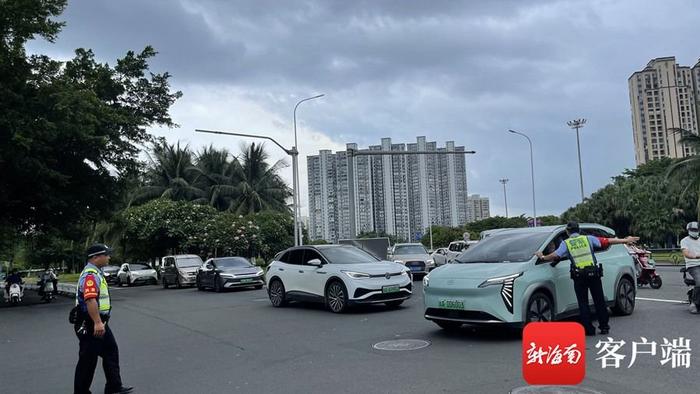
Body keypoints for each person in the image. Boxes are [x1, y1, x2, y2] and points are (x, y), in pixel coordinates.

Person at [535, 221, 639, 336]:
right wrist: (625, 240)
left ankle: (589, 329)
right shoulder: (588, 239)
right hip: (593, 274)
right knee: (599, 301)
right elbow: (607, 241)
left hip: (579, 276)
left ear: (567, 232)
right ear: (578, 230)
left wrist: (543, 257)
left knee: (583, 304)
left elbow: (556, 255)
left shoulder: (566, 243)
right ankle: (604, 327)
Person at [73, 244, 133, 394]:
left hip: (99, 321)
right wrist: (98, 322)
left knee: (110, 351)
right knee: (88, 360)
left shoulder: (96, 272)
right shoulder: (90, 275)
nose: (109, 257)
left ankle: (114, 387)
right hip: (90, 322)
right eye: (106, 255)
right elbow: (90, 300)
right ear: (95, 257)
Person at [680, 221, 700, 314]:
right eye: (692, 230)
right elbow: (686, 253)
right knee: (699, 282)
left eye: (695, 230)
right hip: (693, 265)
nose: (694, 231)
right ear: (688, 230)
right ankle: (694, 303)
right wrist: (695, 256)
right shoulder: (684, 241)